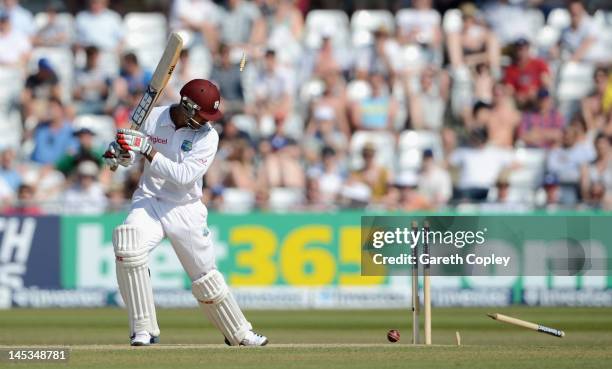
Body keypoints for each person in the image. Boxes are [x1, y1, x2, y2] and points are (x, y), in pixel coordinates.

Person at [103, 79, 268, 347]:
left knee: (206, 277)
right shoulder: (154, 116)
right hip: (150, 199)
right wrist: (121, 154)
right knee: (128, 245)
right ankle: (144, 330)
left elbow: (183, 176)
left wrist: (146, 148)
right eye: (202, 115)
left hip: (185, 208)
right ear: (186, 106)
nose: (205, 121)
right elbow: (131, 156)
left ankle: (240, 333)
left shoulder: (208, 136)